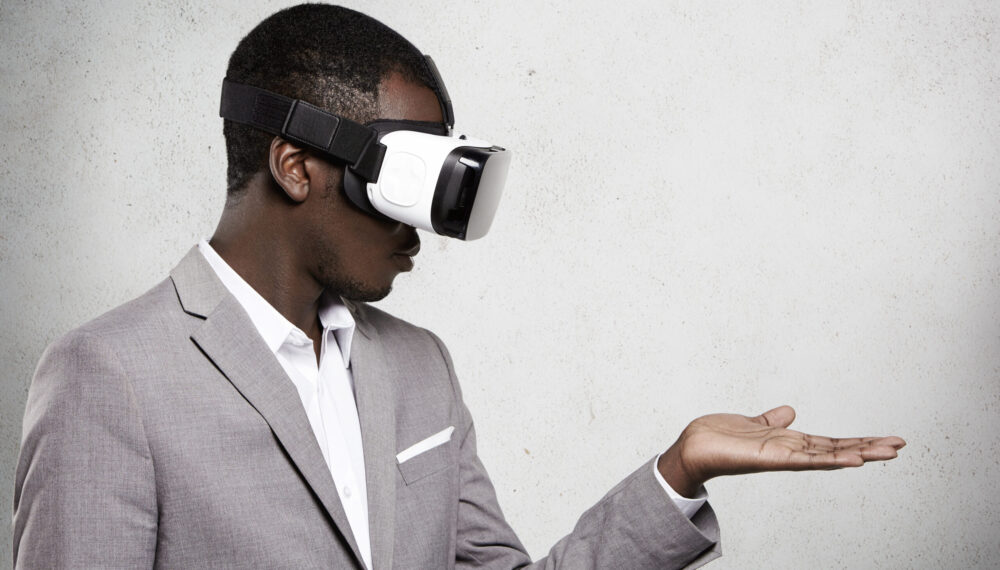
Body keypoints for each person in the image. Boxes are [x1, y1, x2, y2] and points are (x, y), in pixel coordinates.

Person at [12, 4, 905, 569]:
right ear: (293, 165)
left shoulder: (419, 369)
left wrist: (675, 475)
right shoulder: (108, 378)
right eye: (407, 183)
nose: (424, 230)